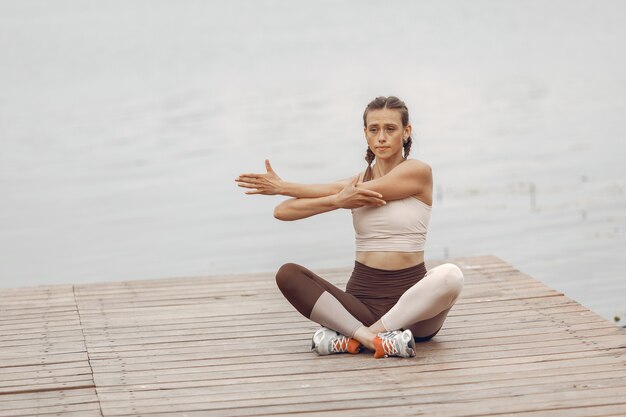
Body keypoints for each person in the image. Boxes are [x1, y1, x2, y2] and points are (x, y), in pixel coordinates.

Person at [235, 96, 464, 359]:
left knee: (451, 275)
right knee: (288, 274)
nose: (381, 137)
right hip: (360, 304)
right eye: (374, 129)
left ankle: (359, 337)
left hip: (414, 311)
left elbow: (352, 191)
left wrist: (283, 186)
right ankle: (371, 338)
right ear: (365, 134)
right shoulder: (354, 184)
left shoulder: (418, 172)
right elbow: (282, 211)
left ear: (406, 132)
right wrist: (336, 200)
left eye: (390, 129)